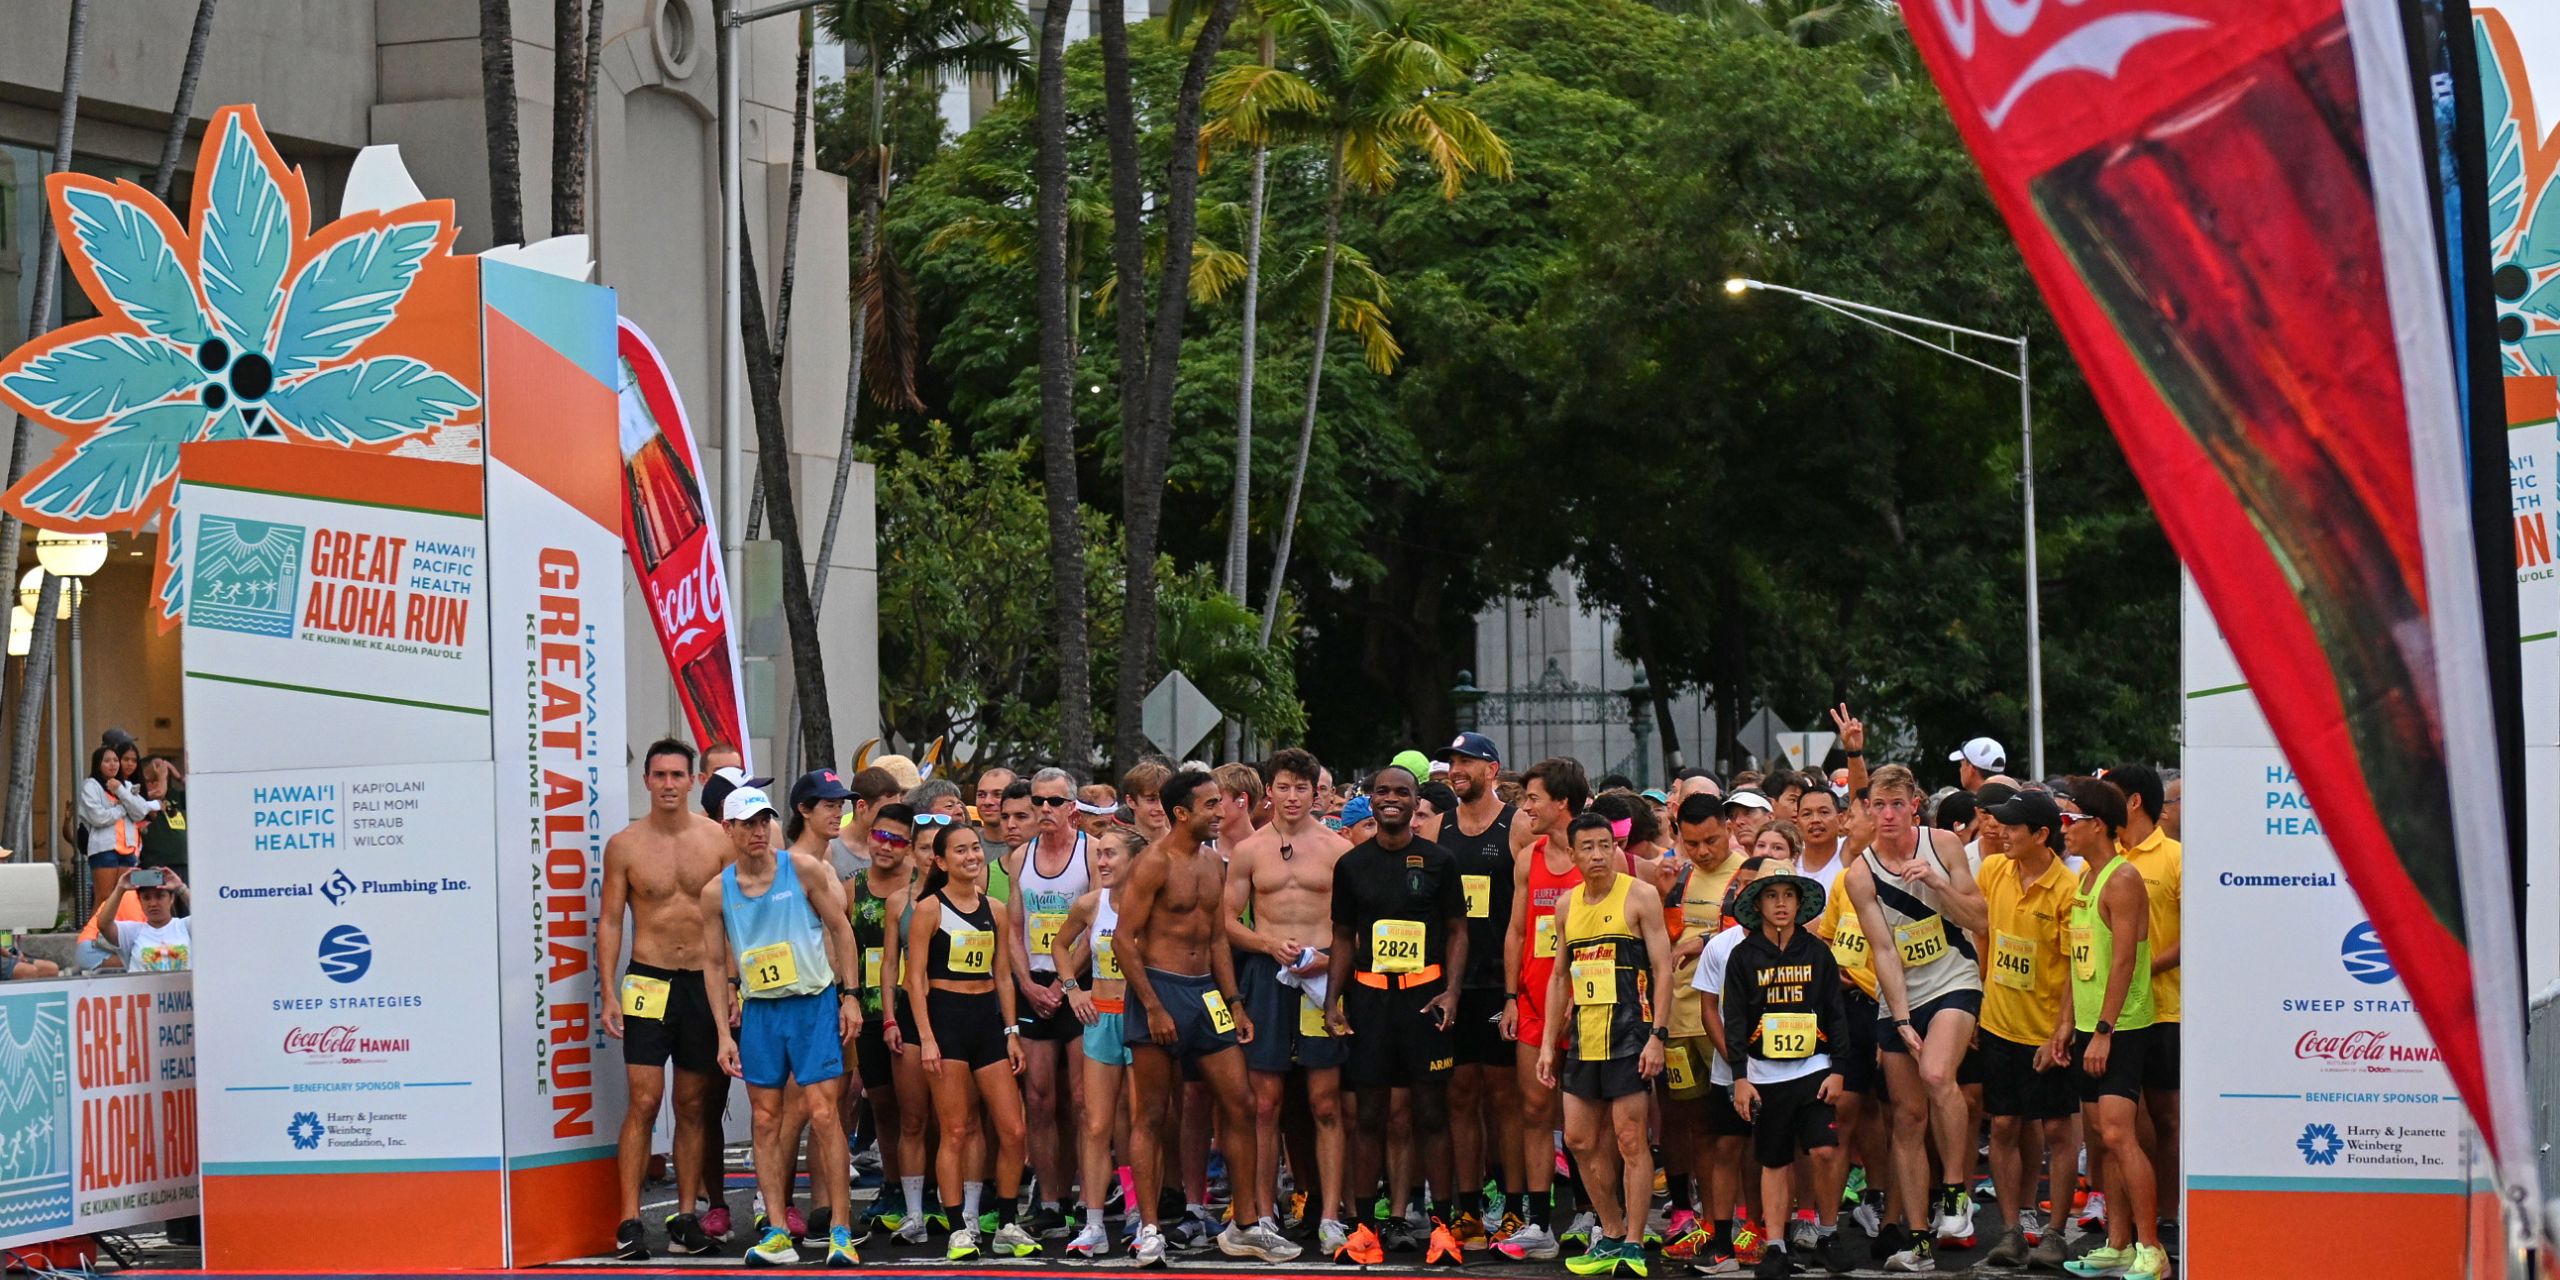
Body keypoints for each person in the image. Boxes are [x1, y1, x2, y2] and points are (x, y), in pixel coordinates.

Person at [1117, 770, 1297, 1265]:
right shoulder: (1153, 864)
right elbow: (1122, 940)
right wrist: (1153, 1005)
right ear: (1181, 813)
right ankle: (1150, 1228)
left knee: (1241, 1103)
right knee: (1152, 1113)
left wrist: (1235, 1002)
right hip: (1160, 988)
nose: (1221, 812)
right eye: (1210, 805)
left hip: (1207, 996)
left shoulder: (1214, 863)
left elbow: (1218, 938)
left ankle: (1244, 1225)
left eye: (1221, 803)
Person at [698, 784, 863, 1269]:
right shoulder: (716, 891)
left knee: (823, 1112)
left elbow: (841, 929)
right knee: (765, 1120)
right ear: (727, 828)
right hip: (761, 1013)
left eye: (763, 820)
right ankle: (775, 1230)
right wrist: (724, 1034)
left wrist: (849, 997)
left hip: (811, 1005)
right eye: (746, 823)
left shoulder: (803, 869)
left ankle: (840, 1230)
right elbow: (712, 962)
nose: (757, 831)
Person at [1841, 763, 1987, 1273]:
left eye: (1896, 805)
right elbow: (1882, 950)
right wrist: (1900, 1020)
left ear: (1913, 807)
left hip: (1954, 979)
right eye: (1877, 806)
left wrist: (1938, 886)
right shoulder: (1859, 873)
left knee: (1937, 1074)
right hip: (1901, 995)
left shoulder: (1943, 845)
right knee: (1905, 1118)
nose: (1886, 815)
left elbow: (1981, 917)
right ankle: (1920, 1243)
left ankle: (1955, 1195)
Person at [1324, 764, 1468, 1267]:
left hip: (1424, 1000)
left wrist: (1452, 991)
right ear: (1372, 798)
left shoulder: (1438, 861)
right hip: (1369, 1000)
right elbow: (1343, 938)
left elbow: (1456, 931)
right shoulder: (1351, 865)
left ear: (1414, 802)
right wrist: (1331, 1000)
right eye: (1382, 791)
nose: (1391, 799)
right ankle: (1365, 1230)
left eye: (1401, 792)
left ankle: (1443, 1228)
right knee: (1368, 1115)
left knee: (1431, 1113)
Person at [598, 740, 732, 1259]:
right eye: (660, 775)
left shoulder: (718, 840)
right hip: (648, 979)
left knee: (693, 1104)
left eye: (679, 774)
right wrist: (609, 990)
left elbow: (734, 918)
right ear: (647, 781)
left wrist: (735, 984)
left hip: (704, 981)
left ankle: (685, 1216)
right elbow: (611, 920)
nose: (669, 783)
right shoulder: (625, 845)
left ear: (695, 780)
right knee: (646, 1100)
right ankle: (630, 1220)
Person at [1223, 748, 1355, 1253]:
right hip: (1268, 975)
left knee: (1325, 1101)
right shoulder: (1250, 850)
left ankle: (1330, 1215)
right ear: (1269, 791)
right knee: (1264, 1102)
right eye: (1284, 787)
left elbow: (1356, 925)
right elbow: (1229, 921)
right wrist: (1267, 943)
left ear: (1317, 791)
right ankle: (1259, 1211)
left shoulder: (1338, 848)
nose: (1293, 796)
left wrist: (1329, 958)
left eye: (1303, 787)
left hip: (1323, 978)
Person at [1536, 812, 1673, 1279]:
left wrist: (1659, 1036)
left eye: (1604, 845)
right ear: (1572, 854)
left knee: (1630, 1138)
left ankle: (1633, 1242)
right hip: (1584, 1038)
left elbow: (1664, 968)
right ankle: (1611, 1232)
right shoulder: (1566, 905)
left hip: (1631, 1035)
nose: (1597, 855)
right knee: (1576, 1138)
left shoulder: (1640, 895)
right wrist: (1547, 1046)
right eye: (1587, 848)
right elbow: (1559, 977)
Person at [903, 820, 1044, 1260]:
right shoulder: (930, 909)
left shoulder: (996, 909)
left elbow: (1003, 975)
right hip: (946, 1020)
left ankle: (1005, 1223)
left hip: (987, 1021)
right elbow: (914, 980)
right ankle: (958, 1227)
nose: (971, 856)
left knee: (1013, 1128)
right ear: (940, 862)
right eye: (960, 851)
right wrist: (926, 1038)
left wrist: (1012, 1032)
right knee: (957, 1129)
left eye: (976, 849)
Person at [2053, 778, 2167, 1280]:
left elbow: (2124, 963)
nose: (2062, 831)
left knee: (2120, 1134)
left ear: (2095, 825)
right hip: (2088, 1023)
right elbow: (2080, 960)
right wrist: (2064, 1026)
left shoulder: (2122, 879)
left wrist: (2103, 1030)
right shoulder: (2084, 877)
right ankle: (2119, 1244)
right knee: (2102, 1136)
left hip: (2121, 1025)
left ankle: (2152, 1249)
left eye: (2066, 820)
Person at [1718, 867, 1855, 1278]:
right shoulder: (1743, 957)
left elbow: (1836, 1009)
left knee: (1825, 1151)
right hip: (1763, 1076)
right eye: (1772, 895)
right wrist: (1739, 1076)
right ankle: (1775, 1245)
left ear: (1799, 903)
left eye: (1788, 895)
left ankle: (1828, 1234)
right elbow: (1735, 1020)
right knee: (1774, 1161)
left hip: (1815, 1070)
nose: (1781, 903)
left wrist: (1840, 1068)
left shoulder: (1817, 952)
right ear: (1757, 904)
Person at [1971, 789, 2081, 1269]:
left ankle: (2055, 1232)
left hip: (2046, 1031)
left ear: (2041, 834)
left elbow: (2079, 967)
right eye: (1999, 824)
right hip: (1997, 1024)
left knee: (2057, 1129)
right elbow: (1978, 928)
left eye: (2012, 827)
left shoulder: (2068, 890)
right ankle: (2011, 1229)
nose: (2000, 832)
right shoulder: (1994, 870)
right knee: (2003, 1125)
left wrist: (2061, 1031)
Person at [1497, 756, 1592, 1262]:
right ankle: (1538, 1224)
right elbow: (1515, 931)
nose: (1525, 806)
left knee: (1586, 1120)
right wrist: (1511, 998)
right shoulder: (1527, 856)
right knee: (1534, 1111)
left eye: (1533, 798)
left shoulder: (1598, 857)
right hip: (1534, 1001)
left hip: (1586, 1008)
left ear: (1562, 803)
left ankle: (1591, 1215)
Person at [1434, 731, 1523, 1250]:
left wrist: (1516, 990)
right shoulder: (1437, 827)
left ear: (1492, 769)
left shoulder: (1516, 827)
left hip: (1498, 981)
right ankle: (1468, 1208)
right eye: (1452, 761)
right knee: (1460, 1095)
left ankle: (1513, 1207)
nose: (1457, 768)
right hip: (1452, 983)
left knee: (1503, 1097)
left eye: (1467, 761)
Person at [1000, 767, 1092, 1238]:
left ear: (1072, 806)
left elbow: (1098, 924)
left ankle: (1083, 1197)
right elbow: (1014, 928)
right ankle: (1051, 1199)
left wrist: (1064, 981)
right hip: (1034, 983)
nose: (1045, 811)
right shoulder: (1020, 857)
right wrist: (1028, 983)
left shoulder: (1089, 852)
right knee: (1038, 1098)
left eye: (1055, 802)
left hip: (1078, 983)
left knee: (1079, 1098)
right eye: (1039, 802)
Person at [1658, 794, 1741, 1266]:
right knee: (1693, 1127)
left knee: (1734, 1130)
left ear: (1728, 828)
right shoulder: (1676, 874)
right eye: (1692, 843)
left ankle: (1748, 1222)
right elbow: (1664, 939)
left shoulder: (1752, 872)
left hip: (1729, 1018)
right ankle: (1707, 1222)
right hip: (1680, 1018)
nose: (1703, 851)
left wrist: (1702, 939)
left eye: (1711, 839)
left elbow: (1757, 926)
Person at [1690, 854, 1778, 1274]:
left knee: (1770, 1152)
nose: (1743, 890)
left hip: (1780, 1070)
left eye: (1753, 883)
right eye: (1739, 883)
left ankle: (1763, 1229)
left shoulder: (1791, 945)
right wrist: (1733, 1058)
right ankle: (1723, 1237)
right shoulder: (1720, 946)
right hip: (1729, 1070)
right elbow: (1709, 1008)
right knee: (1725, 1147)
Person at [1055, 826, 1139, 1258]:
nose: (1103, 862)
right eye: (1099, 855)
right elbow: (1059, 944)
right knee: (1095, 1123)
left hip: (1141, 1021)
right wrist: (1073, 988)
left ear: (1134, 860)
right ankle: (1092, 1225)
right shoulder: (1091, 903)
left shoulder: (1153, 905)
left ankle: (1140, 1215)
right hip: (1101, 1018)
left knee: (1143, 1124)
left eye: (1111, 855)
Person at [2106, 762, 2182, 1245]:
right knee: (2118, 1124)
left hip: (2166, 1007)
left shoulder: (2175, 857)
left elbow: (2197, 934)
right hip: (2117, 1015)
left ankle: (2171, 1216)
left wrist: (2141, 968)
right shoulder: (2106, 857)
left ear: (2134, 801)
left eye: (2110, 794)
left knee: (2166, 1116)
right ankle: (2129, 1226)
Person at [847, 804, 924, 1236]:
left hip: (914, 1011)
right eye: (880, 836)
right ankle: (894, 1187)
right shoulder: (851, 888)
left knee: (919, 1108)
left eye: (896, 840)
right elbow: (840, 946)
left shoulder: (922, 886)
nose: (885, 846)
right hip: (870, 1014)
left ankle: (925, 1189)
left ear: (910, 846)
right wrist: (849, 996)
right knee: (883, 1107)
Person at [78, 744, 158, 919]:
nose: (113, 764)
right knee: (104, 898)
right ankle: (91, 939)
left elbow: (139, 812)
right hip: (104, 849)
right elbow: (98, 818)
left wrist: (120, 792)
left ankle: (116, 938)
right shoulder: (91, 785)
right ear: (98, 764)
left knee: (123, 898)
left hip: (128, 849)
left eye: (115, 760)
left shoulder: (126, 785)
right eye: (107, 761)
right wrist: (123, 808)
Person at [86, 866, 189, 971]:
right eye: (146, 898)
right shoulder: (132, 932)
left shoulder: (186, 926)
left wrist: (181, 888)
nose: (153, 903)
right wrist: (120, 888)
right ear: (140, 901)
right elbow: (104, 925)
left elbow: (205, 916)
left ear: (171, 898)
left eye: (160, 896)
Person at [137, 757, 187, 906]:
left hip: (182, 864)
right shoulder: (141, 798)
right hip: (155, 864)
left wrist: (178, 776)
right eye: (150, 779)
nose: (155, 781)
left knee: (185, 909)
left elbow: (199, 791)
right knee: (161, 908)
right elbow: (158, 793)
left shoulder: (173, 795)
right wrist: (161, 776)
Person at [1123, 761, 1173, 840]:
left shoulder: (1186, 847)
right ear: (1130, 801)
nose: (1160, 808)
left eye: (1165, 799)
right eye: (1151, 800)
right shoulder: (1119, 847)